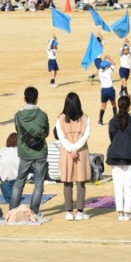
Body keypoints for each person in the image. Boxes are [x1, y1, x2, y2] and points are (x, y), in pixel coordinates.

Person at [10, 87, 50, 215]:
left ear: (24, 98)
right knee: (38, 183)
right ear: (36, 99)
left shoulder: (18, 116)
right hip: (40, 151)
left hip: (25, 152)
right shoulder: (43, 115)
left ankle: (13, 209)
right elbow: (46, 133)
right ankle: (34, 211)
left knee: (19, 181)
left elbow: (18, 131)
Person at [108, 95, 131, 221]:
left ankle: (120, 212)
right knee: (128, 186)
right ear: (129, 107)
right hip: (129, 156)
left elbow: (112, 137)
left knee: (118, 185)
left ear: (118, 106)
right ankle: (127, 212)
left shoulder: (113, 122)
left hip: (116, 156)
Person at [56, 93, 92, 221]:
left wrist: (71, 149)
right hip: (80, 152)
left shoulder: (60, 119)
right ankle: (80, 212)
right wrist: (76, 148)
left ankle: (69, 211)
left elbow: (61, 137)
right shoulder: (86, 118)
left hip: (67, 153)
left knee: (67, 181)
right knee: (80, 182)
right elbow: (85, 136)